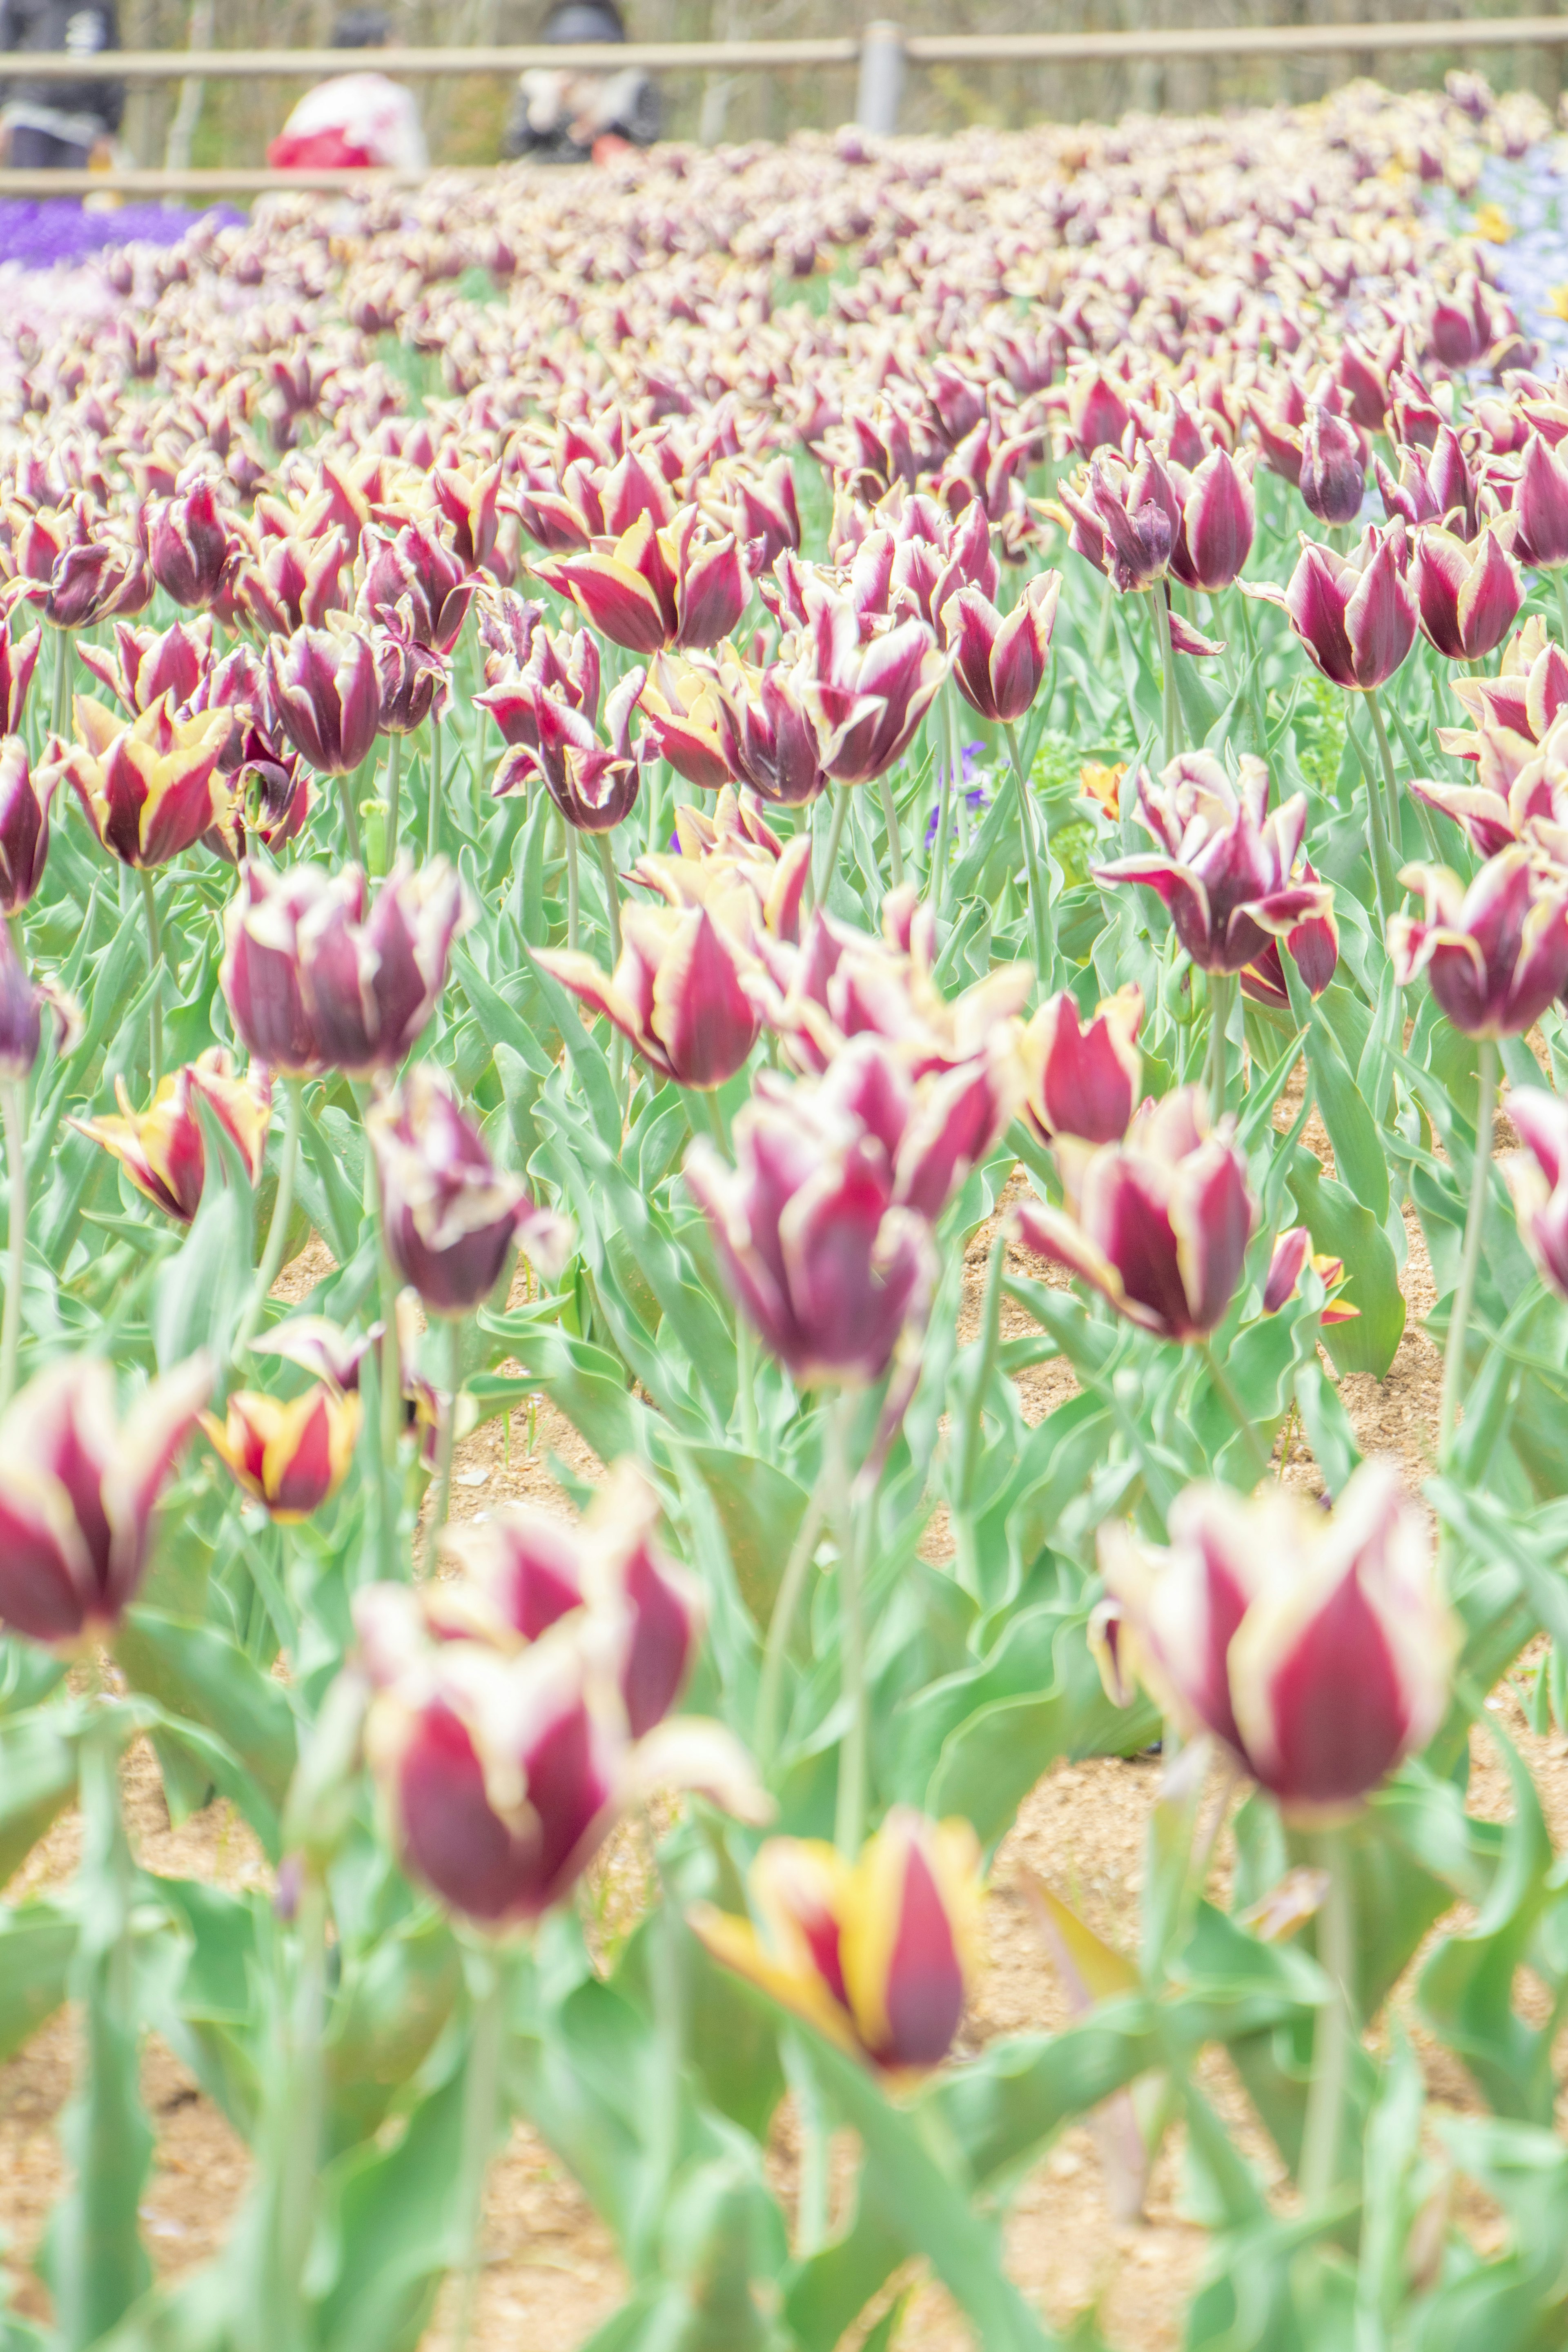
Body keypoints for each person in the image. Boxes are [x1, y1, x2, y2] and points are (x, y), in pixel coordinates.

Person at [266, 6, 428, 173]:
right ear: (372, 48)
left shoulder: (318, 97)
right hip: (357, 194)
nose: (402, 49)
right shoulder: (389, 96)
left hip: (298, 193)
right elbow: (411, 168)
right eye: (394, 42)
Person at [505, 0, 660, 167]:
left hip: (613, 174)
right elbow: (515, 146)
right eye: (570, 45)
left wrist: (604, 122)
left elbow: (649, 142)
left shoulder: (631, 84)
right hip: (548, 175)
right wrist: (549, 110)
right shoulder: (537, 85)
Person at [0, 0, 124, 171]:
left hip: (81, 125)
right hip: (30, 115)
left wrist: (109, 128)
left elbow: (112, 64)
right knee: (27, 193)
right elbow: (6, 48)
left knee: (70, 195)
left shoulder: (99, 6)